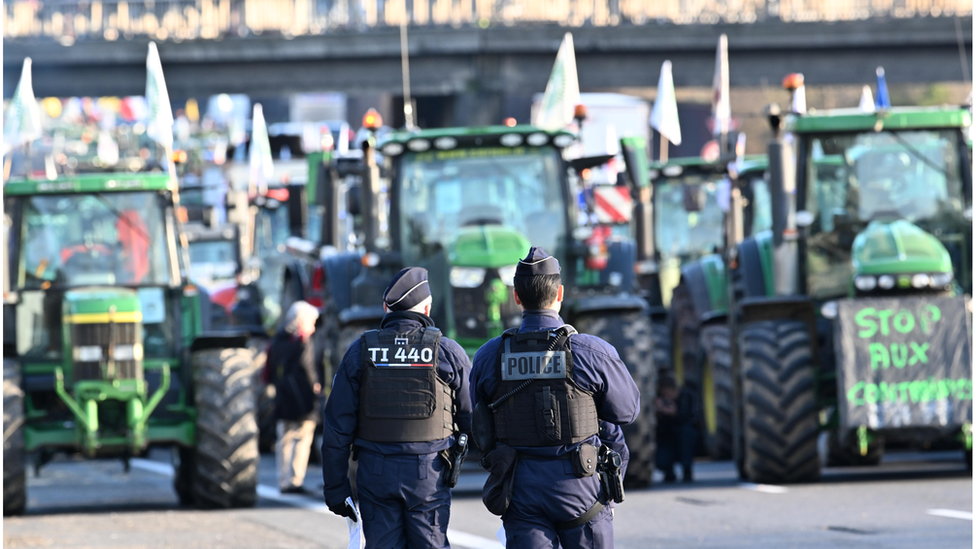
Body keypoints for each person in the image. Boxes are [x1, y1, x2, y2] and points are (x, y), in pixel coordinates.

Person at [470, 247, 640, 549]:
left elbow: (481, 427)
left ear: (517, 297)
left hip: (520, 491)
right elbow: (627, 412)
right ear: (559, 292)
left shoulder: (488, 356)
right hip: (582, 489)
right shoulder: (591, 351)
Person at [321, 267, 472, 549]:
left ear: (385, 308)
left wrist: (336, 488)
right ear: (427, 307)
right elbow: (473, 417)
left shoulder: (359, 351)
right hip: (429, 472)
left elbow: (336, 427)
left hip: (375, 473)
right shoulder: (447, 351)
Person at [264, 300, 321, 494]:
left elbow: (268, 372)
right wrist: (316, 388)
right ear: (302, 322)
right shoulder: (303, 342)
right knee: (302, 438)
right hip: (302, 400)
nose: (313, 328)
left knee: (284, 439)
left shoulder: (276, 341)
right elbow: (308, 368)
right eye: (312, 322)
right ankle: (295, 480)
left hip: (282, 398)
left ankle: (283, 480)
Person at [655, 372, 700, 483]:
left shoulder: (687, 396)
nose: (668, 397)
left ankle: (687, 470)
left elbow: (692, 419)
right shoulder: (658, 401)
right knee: (662, 456)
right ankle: (668, 472)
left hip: (684, 437)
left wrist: (675, 413)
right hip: (666, 438)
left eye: (670, 393)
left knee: (687, 433)